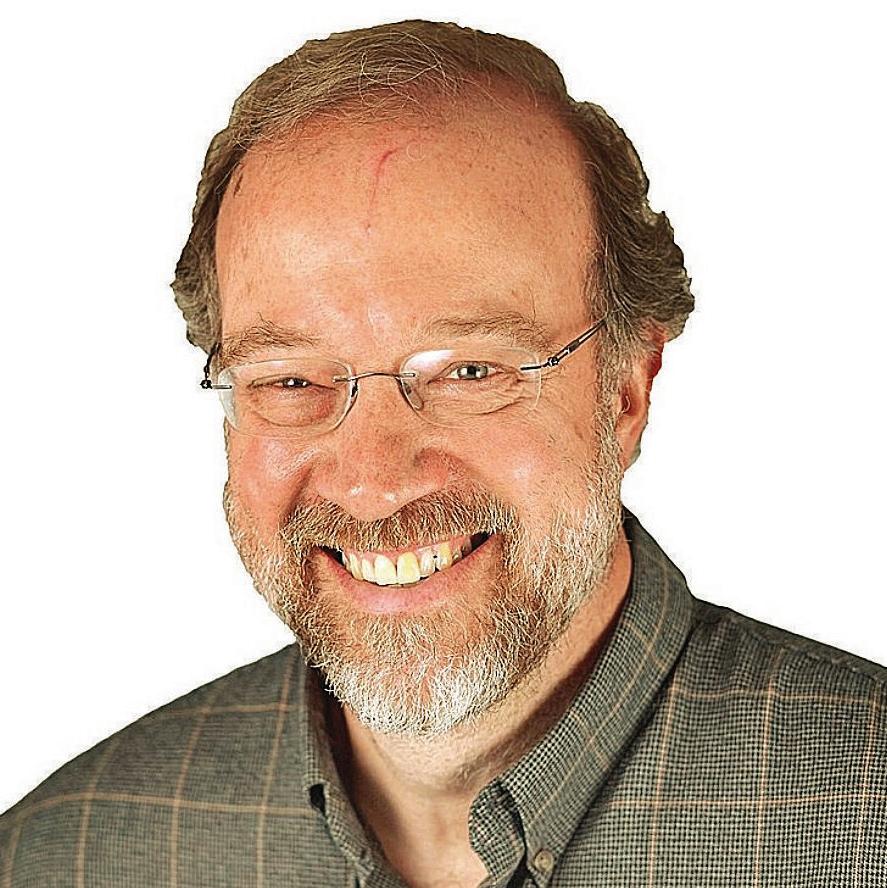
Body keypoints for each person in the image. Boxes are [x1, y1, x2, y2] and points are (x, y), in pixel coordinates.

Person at [1, 18, 884, 888]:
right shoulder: (62, 858)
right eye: (291, 379)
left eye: (468, 370)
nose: (373, 484)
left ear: (625, 391)